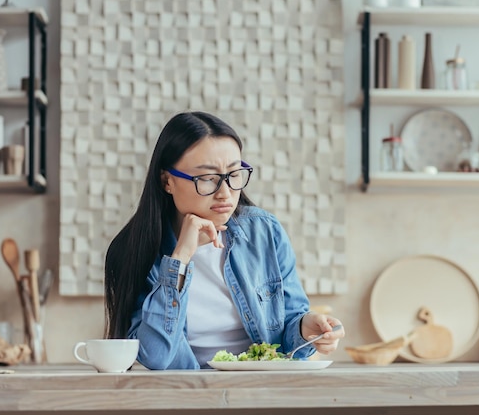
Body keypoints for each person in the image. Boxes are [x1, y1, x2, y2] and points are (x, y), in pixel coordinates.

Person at [104, 111, 345, 370]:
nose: (225, 193)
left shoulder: (264, 232)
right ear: (167, 181)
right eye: (207, 178)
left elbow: (288, 332)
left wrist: (305, 328)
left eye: (234, 174)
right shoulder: (132, 251)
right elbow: (156, 356)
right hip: (186, 397)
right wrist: (179, 261)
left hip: (259, 393)